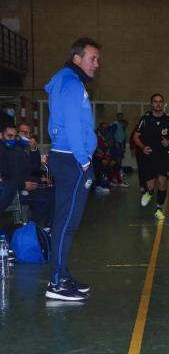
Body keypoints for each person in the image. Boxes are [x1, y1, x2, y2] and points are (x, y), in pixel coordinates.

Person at [44, 37, 101, 301]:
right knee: (66, 223)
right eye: (93, 58)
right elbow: (73, 125)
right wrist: (84, 159)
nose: (96, 64)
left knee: (67, 223)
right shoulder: (70, 83)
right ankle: (56, 283)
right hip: (72, 160)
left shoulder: (67, 81)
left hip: (68, 158)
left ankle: (62, 275)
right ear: (77, 58)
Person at [132, 94, 169, 220]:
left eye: (160, 101)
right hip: (149, 155)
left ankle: (159, 209)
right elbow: (135, 136)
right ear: (151, 104)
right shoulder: (146, 119)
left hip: (164, 155)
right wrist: (143, 147)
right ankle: (149, 193)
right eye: (155, 102)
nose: (158, 104)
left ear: (163, 103)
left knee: (162, 181)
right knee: (150, 184)